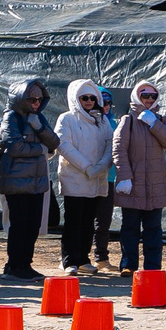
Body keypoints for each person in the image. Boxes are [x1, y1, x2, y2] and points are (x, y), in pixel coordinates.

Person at [0, 80, 59, 281]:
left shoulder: (38, 117)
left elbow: (55, 142)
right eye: (31, 99)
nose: (36, 103)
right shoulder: (11, 117)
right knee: (19, 225)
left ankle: (25, 264)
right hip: (16, 181)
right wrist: (41, 150)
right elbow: (14, 147)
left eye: (39, 99)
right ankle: (13, 266)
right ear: (20, 98)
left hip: (37, 181)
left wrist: (39, 128)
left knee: (33, 225)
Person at [113, 79, 166, 274]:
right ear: (136, 97)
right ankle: (128, 265)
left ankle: (152, 267)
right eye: (145, 95)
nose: (149, 99)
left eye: (153, 96)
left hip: (155, 185)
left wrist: (153, 123)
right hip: (133, 184)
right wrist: (124, 176)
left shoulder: (161, 120)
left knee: (154, 230)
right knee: (130, 228)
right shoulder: (128, 120)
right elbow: (118, 149)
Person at [55, 80, 116, 275]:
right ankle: (69, 261)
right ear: (76, 98)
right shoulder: (67, 119)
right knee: (74, 220)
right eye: (84, 98)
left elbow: (110, 144)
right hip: (75, 177)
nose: (89, 101)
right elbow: (64, 146)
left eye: (92, 98)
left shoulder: (103, 120)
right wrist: (87, 167)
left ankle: (83, 258)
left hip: (97, 177)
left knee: (89, 220)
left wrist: (101, 167)